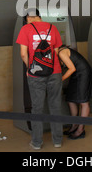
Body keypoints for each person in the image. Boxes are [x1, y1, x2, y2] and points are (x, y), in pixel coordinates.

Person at [16, 8, 63, 150]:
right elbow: (55, 51)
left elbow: (23, 54)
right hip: (54, 71)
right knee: (55, 106)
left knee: (37, 108)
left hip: (36, 74)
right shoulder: (53, 27)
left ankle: (37, 142)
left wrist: (30, 67)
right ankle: (57, 141)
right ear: (39, 16)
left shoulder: (26, 29)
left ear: (28, 18)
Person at [58, 45, 92, 140]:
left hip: (83, 73)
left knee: (83, 101)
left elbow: (72, 68)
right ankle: (74, 125)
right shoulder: (60, 51)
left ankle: (80, 130)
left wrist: (60, 79)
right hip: (76, 74)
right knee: (70, 99)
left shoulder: (61, 53)